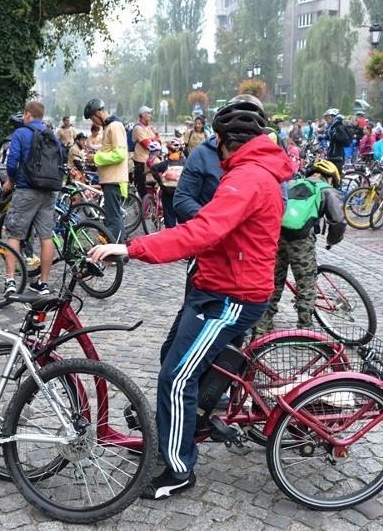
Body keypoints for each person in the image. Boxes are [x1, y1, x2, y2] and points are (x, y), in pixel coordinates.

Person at [88, 97, 294, 500]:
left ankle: (179, 470)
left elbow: (201, 231)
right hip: (215, 286)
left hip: (230, 295)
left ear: (221, 140)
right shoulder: (249, 171)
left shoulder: (247, 177)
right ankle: (182, 427)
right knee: (174, 358)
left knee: (176, 377)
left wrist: (131, 248)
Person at [255, 159, 346, 333]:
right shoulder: (327, 190)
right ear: (332, 178)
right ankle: (304, 328)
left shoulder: (292, 183)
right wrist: (332, 240)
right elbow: (338, 221)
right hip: (302, 240)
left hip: (278, 235)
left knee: (273, 280)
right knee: (306, 284)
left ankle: (263, 322)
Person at [2, 100, 61, 295]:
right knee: (46, 236)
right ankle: (43, 283)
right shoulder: (52, 135)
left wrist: (11, 180)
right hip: (49, 190)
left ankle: (10, 281)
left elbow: (12, 161)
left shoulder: (21, 133)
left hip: (27, 189)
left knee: (14, 234)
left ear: (27, 114)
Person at [84, 98, 129, 243]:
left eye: (92, 118)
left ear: (99, 113)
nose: (93, 122)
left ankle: (116, 252)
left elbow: (120, 154)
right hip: (110, 179)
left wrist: (96, 158)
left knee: (113, 218)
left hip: (114, 180)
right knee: (113, 217)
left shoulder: (114, 126)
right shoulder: (109, 126)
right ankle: (119, 249)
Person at [131, 106, 160, 202]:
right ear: (143, 115)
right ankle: (141, 206)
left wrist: (153, 140)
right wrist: (153, 140)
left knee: (150, 183)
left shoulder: (147, 127)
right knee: (141, 184)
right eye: (148, 113)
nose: (150, 115)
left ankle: (148, 204)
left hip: (149, 159)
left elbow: (157, 140)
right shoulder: (138, 128)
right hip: (140, 160)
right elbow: (147, 144)